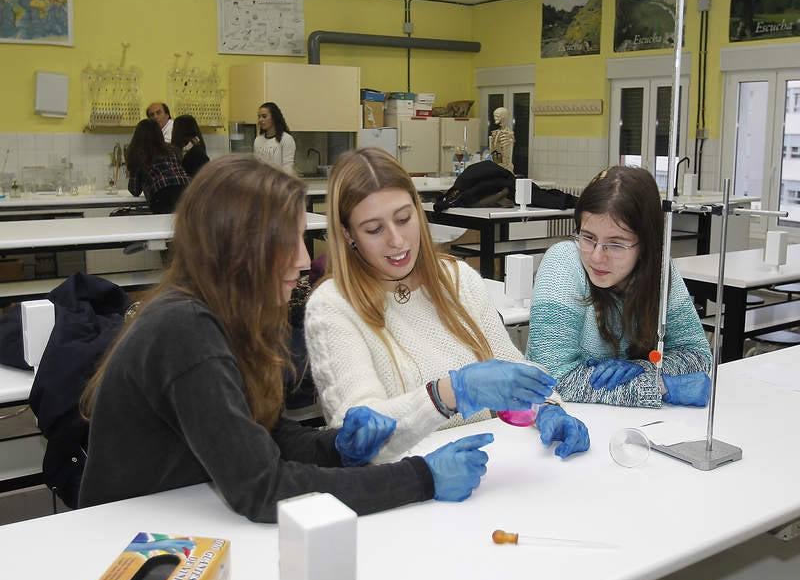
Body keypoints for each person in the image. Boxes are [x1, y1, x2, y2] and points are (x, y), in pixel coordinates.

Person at [79, 155, 495, 522]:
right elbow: (263, 489)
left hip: (187, 517)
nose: (302, 259)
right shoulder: (184, 329)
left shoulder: (228, 315)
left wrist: (339, 448)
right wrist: (421, 478)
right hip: (126, 542)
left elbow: (270, 436)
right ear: (237, 249)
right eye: (287, 242)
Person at [305, 147, 590, 464]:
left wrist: (546, 407)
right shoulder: (332, 306)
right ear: (347, 234)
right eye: (374, 229)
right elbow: (359, 436)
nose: (397, 240)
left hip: (490, 471)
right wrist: (450, 393)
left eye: (404, 218)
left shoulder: (456, 279)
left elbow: (513, 367)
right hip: (406, 488)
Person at [527, 166, 712, 408]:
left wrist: (639, 367)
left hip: (638, 425)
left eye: (616, 244)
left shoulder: (660, 271)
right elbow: (552, 377)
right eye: (588, 237)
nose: (596, 257)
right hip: (562, 417)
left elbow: (698, 356)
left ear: (646, 244)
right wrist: (660, 386)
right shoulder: (563, 262)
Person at [126, 117, 190, 214]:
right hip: (187, 191)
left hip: (162, 195)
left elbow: (134, 190)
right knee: (182, 226)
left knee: (163, 226)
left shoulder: (139, 153)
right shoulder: (172, 149)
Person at [254, 101, 296, 174]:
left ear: (274, 117)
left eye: (264, 116)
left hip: (279, 183)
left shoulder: (286, 139)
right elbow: (256, 167)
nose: (260, 120)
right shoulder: (258, 140)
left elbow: (288, 169)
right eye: (259, 117)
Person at [489, 107, 514, 174]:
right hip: (496, 165)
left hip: (504, 168)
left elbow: (507, 154)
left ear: (503, 117)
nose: (495, 118)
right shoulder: (496, 132)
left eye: (497, 116)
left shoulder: (507, 134)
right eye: (494, 116)